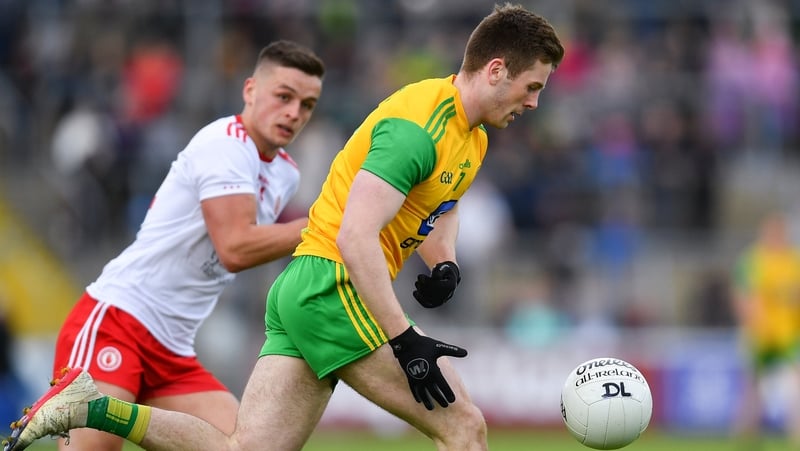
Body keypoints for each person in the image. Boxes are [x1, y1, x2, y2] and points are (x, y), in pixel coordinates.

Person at [3, 4, 564, 451]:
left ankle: (91, 406)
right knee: (464, 428)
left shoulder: (474, 136)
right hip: (330, 288)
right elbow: (351, 236)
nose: (535, 102)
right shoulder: (416, 127)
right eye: (533, 86)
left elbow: (440, 203)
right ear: (496, 70)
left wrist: (443, 262)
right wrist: (405, 338)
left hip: (306, 288)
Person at [7, 40, 325, 451]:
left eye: (307, 104)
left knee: (248, 445)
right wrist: (324, 224)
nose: (294, 113)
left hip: (172, 350)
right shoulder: (225, 145)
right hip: (117, 323)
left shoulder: (285, 175)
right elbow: (235, 247)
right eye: (284, 96)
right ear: (250, 90)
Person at [731, 212, 800, 449]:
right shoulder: (753, 260)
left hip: (788, 334)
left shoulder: (794, 260)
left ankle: (796, 435)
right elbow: (744, 296)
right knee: (752, 387)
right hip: (760, 335)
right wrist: (753, 323)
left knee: (796, 385)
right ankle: (745, 435)